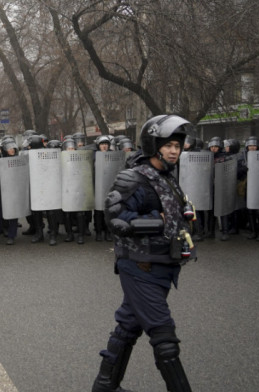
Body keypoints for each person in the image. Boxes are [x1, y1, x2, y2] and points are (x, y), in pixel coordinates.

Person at [92, 114, 196, 392]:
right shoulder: (133, 178)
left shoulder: (166, 178)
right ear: (154, 145)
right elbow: (114, 219)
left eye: (178, 145)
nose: (175, 151)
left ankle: (104, 385)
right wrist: (159, 220)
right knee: (165, 339)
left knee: (128, 326)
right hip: (141, 268)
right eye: (169, 145)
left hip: (162, 265)